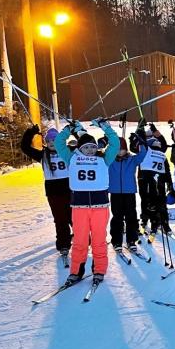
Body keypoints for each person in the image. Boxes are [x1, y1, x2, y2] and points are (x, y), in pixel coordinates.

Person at [55, 119, 119, 287]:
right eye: (86, 147)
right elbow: (58, 143)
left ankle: (99, 269)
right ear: (79, 149)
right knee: (80, 241)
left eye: (92, 146)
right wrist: (68, 129)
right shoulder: (72, 158)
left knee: (98, 240)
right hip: (79, 208)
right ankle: (76, 271)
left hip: (100, 207)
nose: (90, 149)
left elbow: (115, 143)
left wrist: (105, 127)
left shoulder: (104, 158)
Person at [20, 125, 73, 259]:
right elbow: (25, 147)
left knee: (74, 218)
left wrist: (73, 129)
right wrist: (31, 132)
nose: (51, 143)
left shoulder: (67, 152)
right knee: (60, 219)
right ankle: (63, 243)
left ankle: (82, 240)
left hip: (70, 190)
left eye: (55, 141)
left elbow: (84, 145)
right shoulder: (42, 155)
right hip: (53, 192)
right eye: (49, 141)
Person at [108, 130, 147, 251]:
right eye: (118, 149)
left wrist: (141, 143)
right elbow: (102, 154)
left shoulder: (132, 160)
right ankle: (117, 241)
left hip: (129, 192)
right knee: (117, 217)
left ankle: (131, 240)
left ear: (126, 149)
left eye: (122, 149)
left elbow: (143, 154)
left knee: (131, 216)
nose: (120, 151)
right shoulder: (110, 160)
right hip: (115, 193)